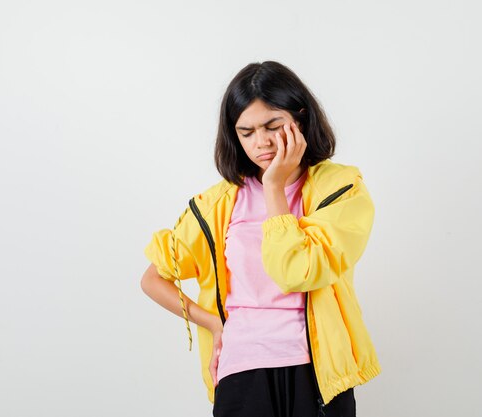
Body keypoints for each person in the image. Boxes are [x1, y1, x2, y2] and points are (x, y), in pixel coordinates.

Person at [140, 61, 380, 417]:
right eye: (247, 131)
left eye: (273, 125)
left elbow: (297, 271)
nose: (262, 142)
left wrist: (273, 188)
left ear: (300, 119)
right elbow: (153, 278)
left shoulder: (341, 189)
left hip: (317, 372)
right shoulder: (218, 204)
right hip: (242, 368)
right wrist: (211, 322)